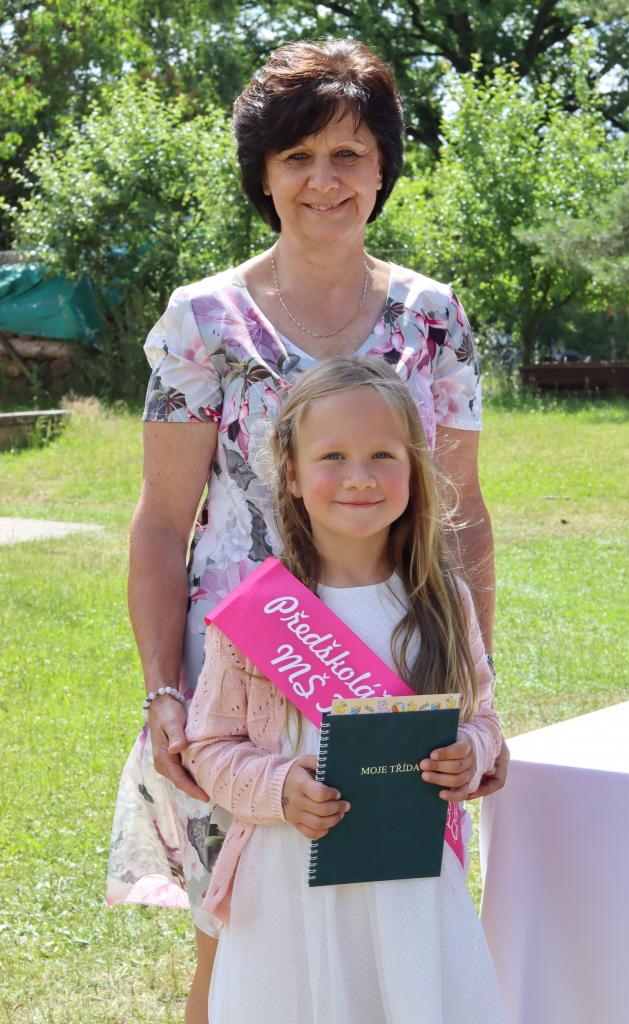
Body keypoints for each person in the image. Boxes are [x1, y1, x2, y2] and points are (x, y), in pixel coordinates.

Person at [107, 37, 508, 1024]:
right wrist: (164, 692)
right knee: (237, 945)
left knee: (394, 940)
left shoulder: (433, 316)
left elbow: (462, 512)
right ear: (263, 175)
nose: (324, 180)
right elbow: (161, 525)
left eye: (349, 154)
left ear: (382, 168)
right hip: (242, 686)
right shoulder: (201, 322)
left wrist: (469, 693)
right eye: (297, 156)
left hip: (395, 666)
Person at [183, 357, 506, 1024]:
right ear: (291, 473)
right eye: (333, 456)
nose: (360, 477)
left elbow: (483, 717)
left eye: (383, 455)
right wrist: (279, 786)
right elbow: (210, 747)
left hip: (413, 892)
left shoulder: (443, 601)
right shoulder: (256, 613)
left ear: (414, 469)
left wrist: (470, 753)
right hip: (288, 889)